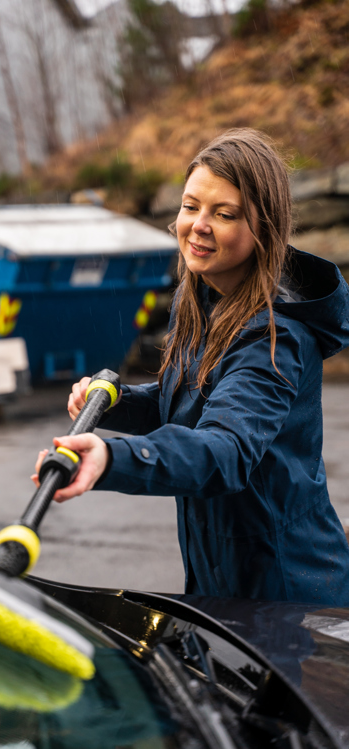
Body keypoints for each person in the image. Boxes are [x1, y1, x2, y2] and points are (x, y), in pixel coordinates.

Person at [33, 128, 349, 606]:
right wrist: (114, 405)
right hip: (219, 574)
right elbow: (185, 401)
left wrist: (110, 458)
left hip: (288, 590)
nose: (198, 225)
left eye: (223, 214)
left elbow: (224, 449)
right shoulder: (201, 295)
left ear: (263, 229)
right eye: (190, 206)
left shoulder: (274, 338)